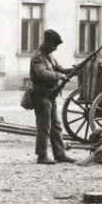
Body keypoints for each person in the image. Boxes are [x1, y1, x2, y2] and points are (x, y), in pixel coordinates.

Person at [30, 29, 76, 164]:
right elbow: (42, 74)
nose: (55, 49)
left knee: (56, 126)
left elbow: (59, 69)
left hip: (50, 96)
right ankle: (42, 156)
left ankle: (60, 154)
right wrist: (60, 76)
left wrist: (71, 70)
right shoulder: (38, 57)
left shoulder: (49, 56)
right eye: (54, 45)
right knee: (44, 127)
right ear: (48, 43)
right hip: (41, 96)